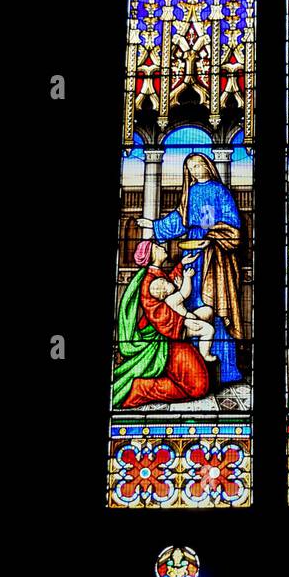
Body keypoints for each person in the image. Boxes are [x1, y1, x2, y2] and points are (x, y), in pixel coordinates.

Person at [139, 153, 244, 383]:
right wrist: (154, 225)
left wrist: (213, 232)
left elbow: (233, 222)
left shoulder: (219, 190)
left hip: (215, 255)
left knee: (215, 304)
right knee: (191, 304)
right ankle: (195, 369)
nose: (196, 170)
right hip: (192, 253)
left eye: (199, 165)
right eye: (191, 167)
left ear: (208, 165)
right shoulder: (191, 192)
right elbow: (180, 219)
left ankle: (226, 369)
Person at [114, 241, 212, 409]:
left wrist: (182, 264)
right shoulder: (149, 283)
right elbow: (158, 314)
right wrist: (184, 321)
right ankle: (141, 388)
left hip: (172, 335)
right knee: (198, 387)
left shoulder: (156, 275)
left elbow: (170, 288)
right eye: (157, 247)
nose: (163, 247)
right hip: (163, 340)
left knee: (199, 384)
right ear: (152, 256)